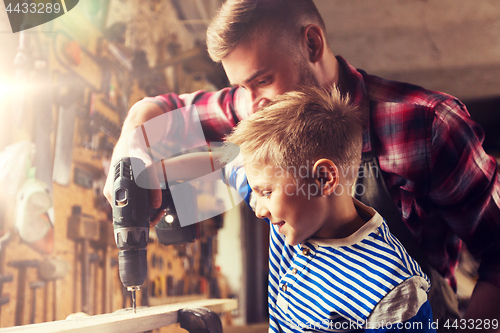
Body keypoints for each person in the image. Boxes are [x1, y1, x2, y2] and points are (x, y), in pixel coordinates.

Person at [103, 0, 500, 328]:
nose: (251, 103)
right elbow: (159, 113)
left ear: (312, 44)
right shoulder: (258, 107)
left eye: (262, 80)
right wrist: (130, 156)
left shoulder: (428, 125)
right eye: (241, 86)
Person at [222, 85, 434, 331]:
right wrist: (166, 177)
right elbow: (224, 167)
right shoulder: (291, 221)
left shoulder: (392, 291)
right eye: (255, 190)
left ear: (323, 179)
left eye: (267, 192)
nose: (259, 210)